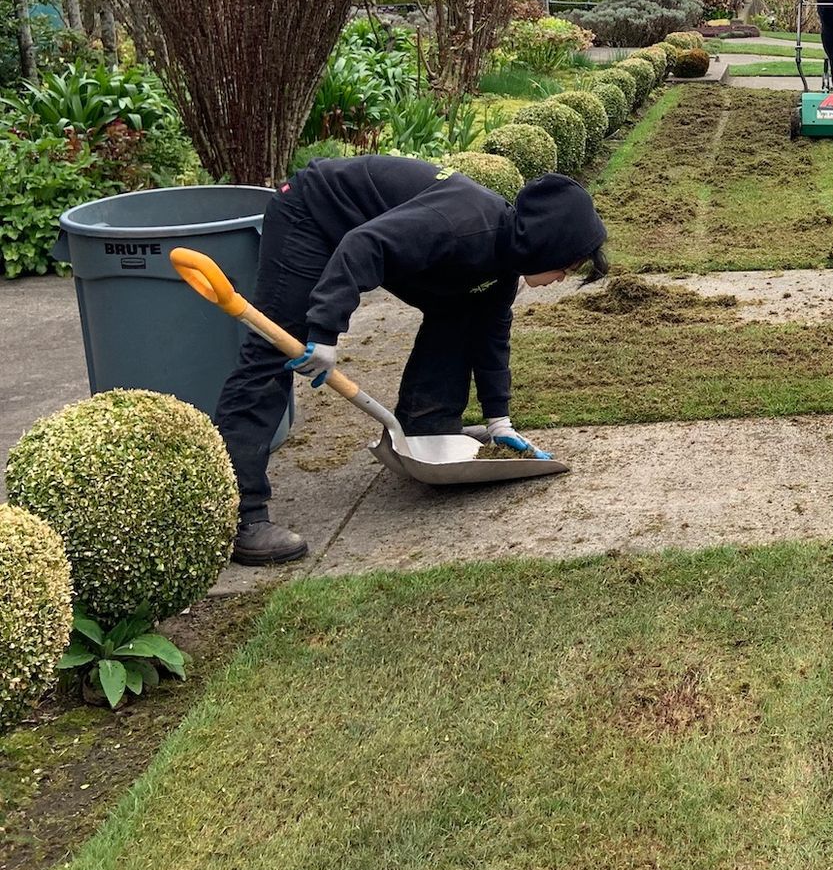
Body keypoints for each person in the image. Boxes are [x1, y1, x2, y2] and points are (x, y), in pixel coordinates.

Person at [214, 156, 609, 565]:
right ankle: (240, 516)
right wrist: (324, 332)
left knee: (461, 310)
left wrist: (499, 420)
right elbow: (363, 245)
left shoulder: (502, 262)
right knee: (276, 349)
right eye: (568, 265)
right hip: (315, 214)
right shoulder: (464, 224)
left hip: (369, 232)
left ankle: (427, 429)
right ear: (549, 241)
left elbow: (491, 336)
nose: (564, 277)